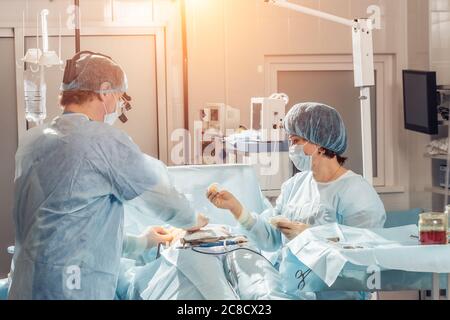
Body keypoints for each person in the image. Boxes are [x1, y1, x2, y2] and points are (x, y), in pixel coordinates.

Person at [9, 52, 202, 300]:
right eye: (118, 97)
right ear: (104, 91)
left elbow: (68, 227)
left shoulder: (32, 140)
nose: (116, 106)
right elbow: (161, 196)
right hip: (72, 289)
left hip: (25, 286)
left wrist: (142, 243)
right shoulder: (101, 141)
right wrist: (193, 219)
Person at [207, 102, 386, 300]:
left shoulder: (357, 193)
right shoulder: (295, 185)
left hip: (336, 294)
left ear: (318, 143)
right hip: (291, 290)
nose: (291, 148)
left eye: (296, 141)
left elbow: (363, 259)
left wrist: (312, 237)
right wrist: (236, 208)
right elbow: (271, 238)